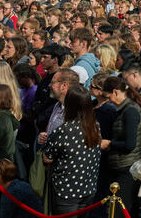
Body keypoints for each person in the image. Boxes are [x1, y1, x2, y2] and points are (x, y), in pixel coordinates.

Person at [44, 84, 103, 214]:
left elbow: (47, 158)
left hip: (66, 191)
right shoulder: (95, 126)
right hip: (88, 188)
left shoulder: (65, 130)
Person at [101, 74, 141, 217]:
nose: (109, 102)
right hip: (119, 166)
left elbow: (130, 144)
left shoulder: (130, 111)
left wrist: (109, 144)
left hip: (126, 168)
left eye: (109, 98)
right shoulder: (124, 109)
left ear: (115, 92)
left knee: (120, 211)